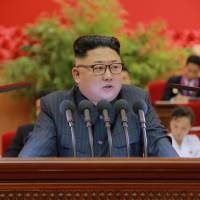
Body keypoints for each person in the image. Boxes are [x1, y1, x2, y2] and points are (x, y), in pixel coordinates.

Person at [18, 35, 178, 157]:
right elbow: (30, 160)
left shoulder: (137, 100)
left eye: (115, 67)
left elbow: (161, 147)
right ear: (77, 74)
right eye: (99, 67)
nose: (109, 75)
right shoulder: (55, 106)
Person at [3, 90, 51, 157]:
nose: (40, 113)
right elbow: (8, 158)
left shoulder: (65, 133)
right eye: (38, 108)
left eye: (44, 109)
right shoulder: (23, 131)